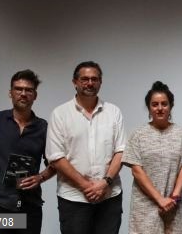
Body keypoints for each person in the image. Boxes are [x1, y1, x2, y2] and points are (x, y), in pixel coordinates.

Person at [46, 61, 125, 234]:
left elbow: (121, 151)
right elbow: (56, 157)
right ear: (75, 82)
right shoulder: (60, 114)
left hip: (109, 196)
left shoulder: (114, 112)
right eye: (85, 79)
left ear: (100, 82)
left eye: (94, 79)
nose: (90, 83)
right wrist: (86, 186)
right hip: (73, 198)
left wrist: (105, 183)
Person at [0, 70, 56, 234]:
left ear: (35, 95)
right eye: (18, 89)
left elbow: (56, 163)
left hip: (30, 206)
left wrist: (41, 177)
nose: (23, 94)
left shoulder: (44, 128)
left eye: (28, 90)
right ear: (10, 93)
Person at [123, 81, 182, 234]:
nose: (160, 108)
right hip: (144, 206)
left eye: (164, 104)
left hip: (173, 205)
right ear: (149, 108)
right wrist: (160, 200)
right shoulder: (137, 135)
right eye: (155, 104)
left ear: (171, 106)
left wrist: (173, 199)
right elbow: (137, 171)